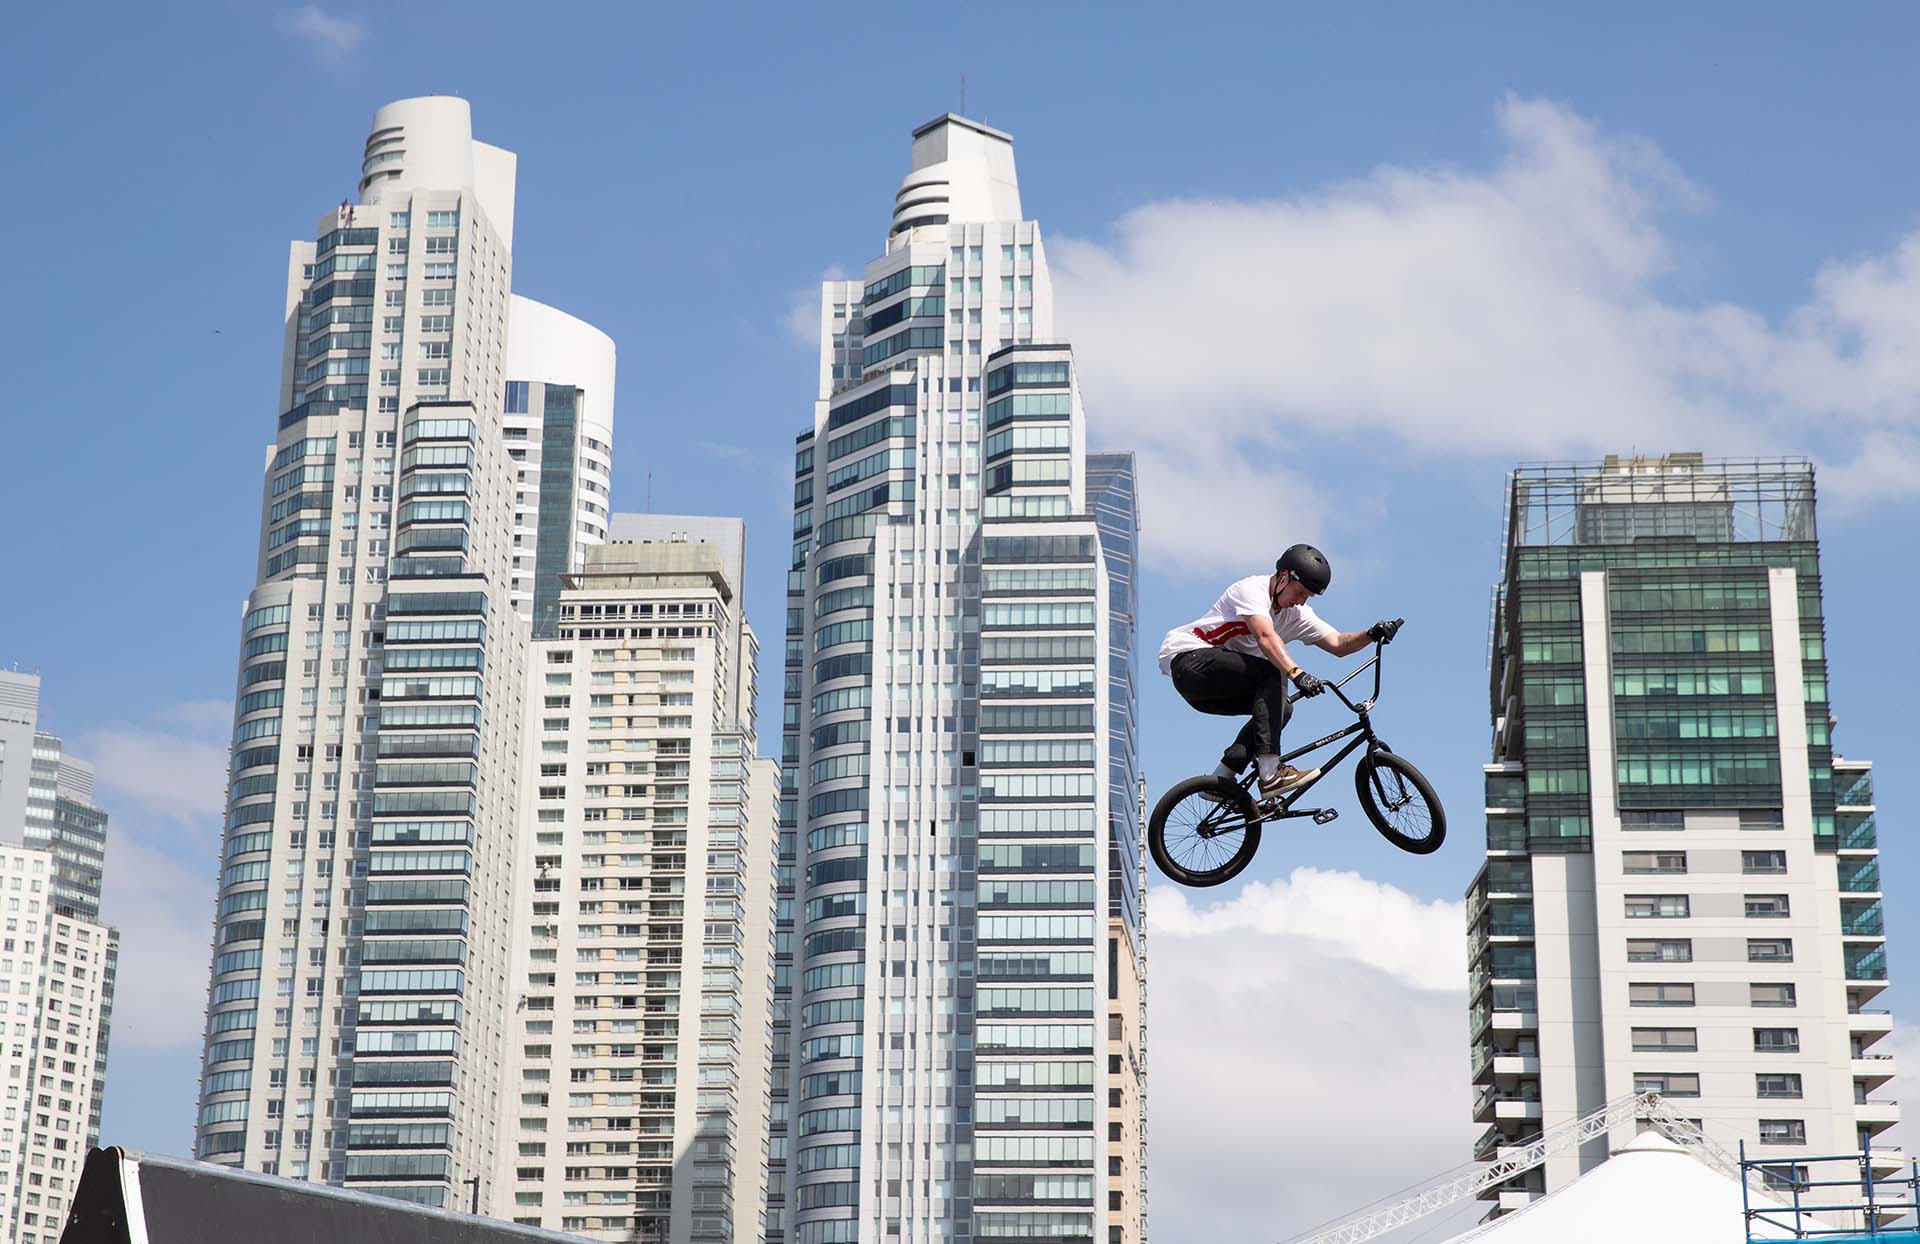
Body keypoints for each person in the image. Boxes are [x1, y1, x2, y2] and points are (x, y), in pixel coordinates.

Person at [1158, 544, 1402, 796]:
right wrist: (1298, 674)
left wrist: (1371, 634)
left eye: (1308, 596)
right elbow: (1265, 636)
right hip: (1190, 662)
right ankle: (1271, 774)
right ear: (1283, 577)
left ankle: (1220, 780)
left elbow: (1338, 644)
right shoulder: (1251, 590)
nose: (1301, 601)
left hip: (1211, 692)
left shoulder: (1297, 614)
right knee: (1274, 671)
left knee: (1280, 708)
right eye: (1299, 592)